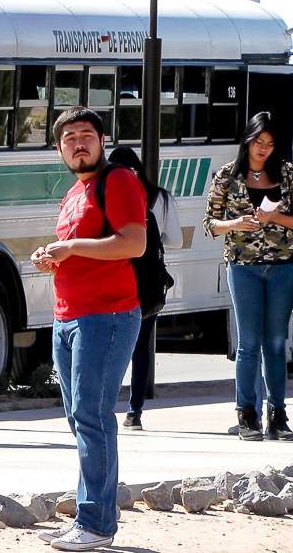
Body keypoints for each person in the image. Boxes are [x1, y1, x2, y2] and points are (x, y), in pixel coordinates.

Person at [31, 107, 145, 551]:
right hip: (68, 316)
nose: (79, 143)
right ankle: (90, 517)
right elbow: (78, 251)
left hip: (107, 315)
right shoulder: (74, 192)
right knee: (80, 419)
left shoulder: (118, 180)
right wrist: (52, 256)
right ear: (59, 149)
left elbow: (133, 242)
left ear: (101, 141)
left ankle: (96, 524)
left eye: (86, 135)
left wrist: (71, 246)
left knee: (92, 417)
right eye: (69, 138)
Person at [204, 112, 293, 442]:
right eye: (258, 142)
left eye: (269, 144)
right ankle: (246, 414)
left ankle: (278, 414)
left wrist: (275, 216)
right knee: (248, 343)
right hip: (243, 266)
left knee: (276, 343)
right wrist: (236, 224)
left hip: (284, 266)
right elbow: (210, 224)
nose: (263, 149)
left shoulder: (288, 174)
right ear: (247, 141)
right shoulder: (227, 175)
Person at [107, 147, 183, 432]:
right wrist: (155, 241)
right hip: (149, 283)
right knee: (142, 349)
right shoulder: (159, 198)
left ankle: (105, 404)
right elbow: (176, 240)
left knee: (111, 347)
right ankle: (134, 411)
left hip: (117, 278)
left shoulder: (109, 196)